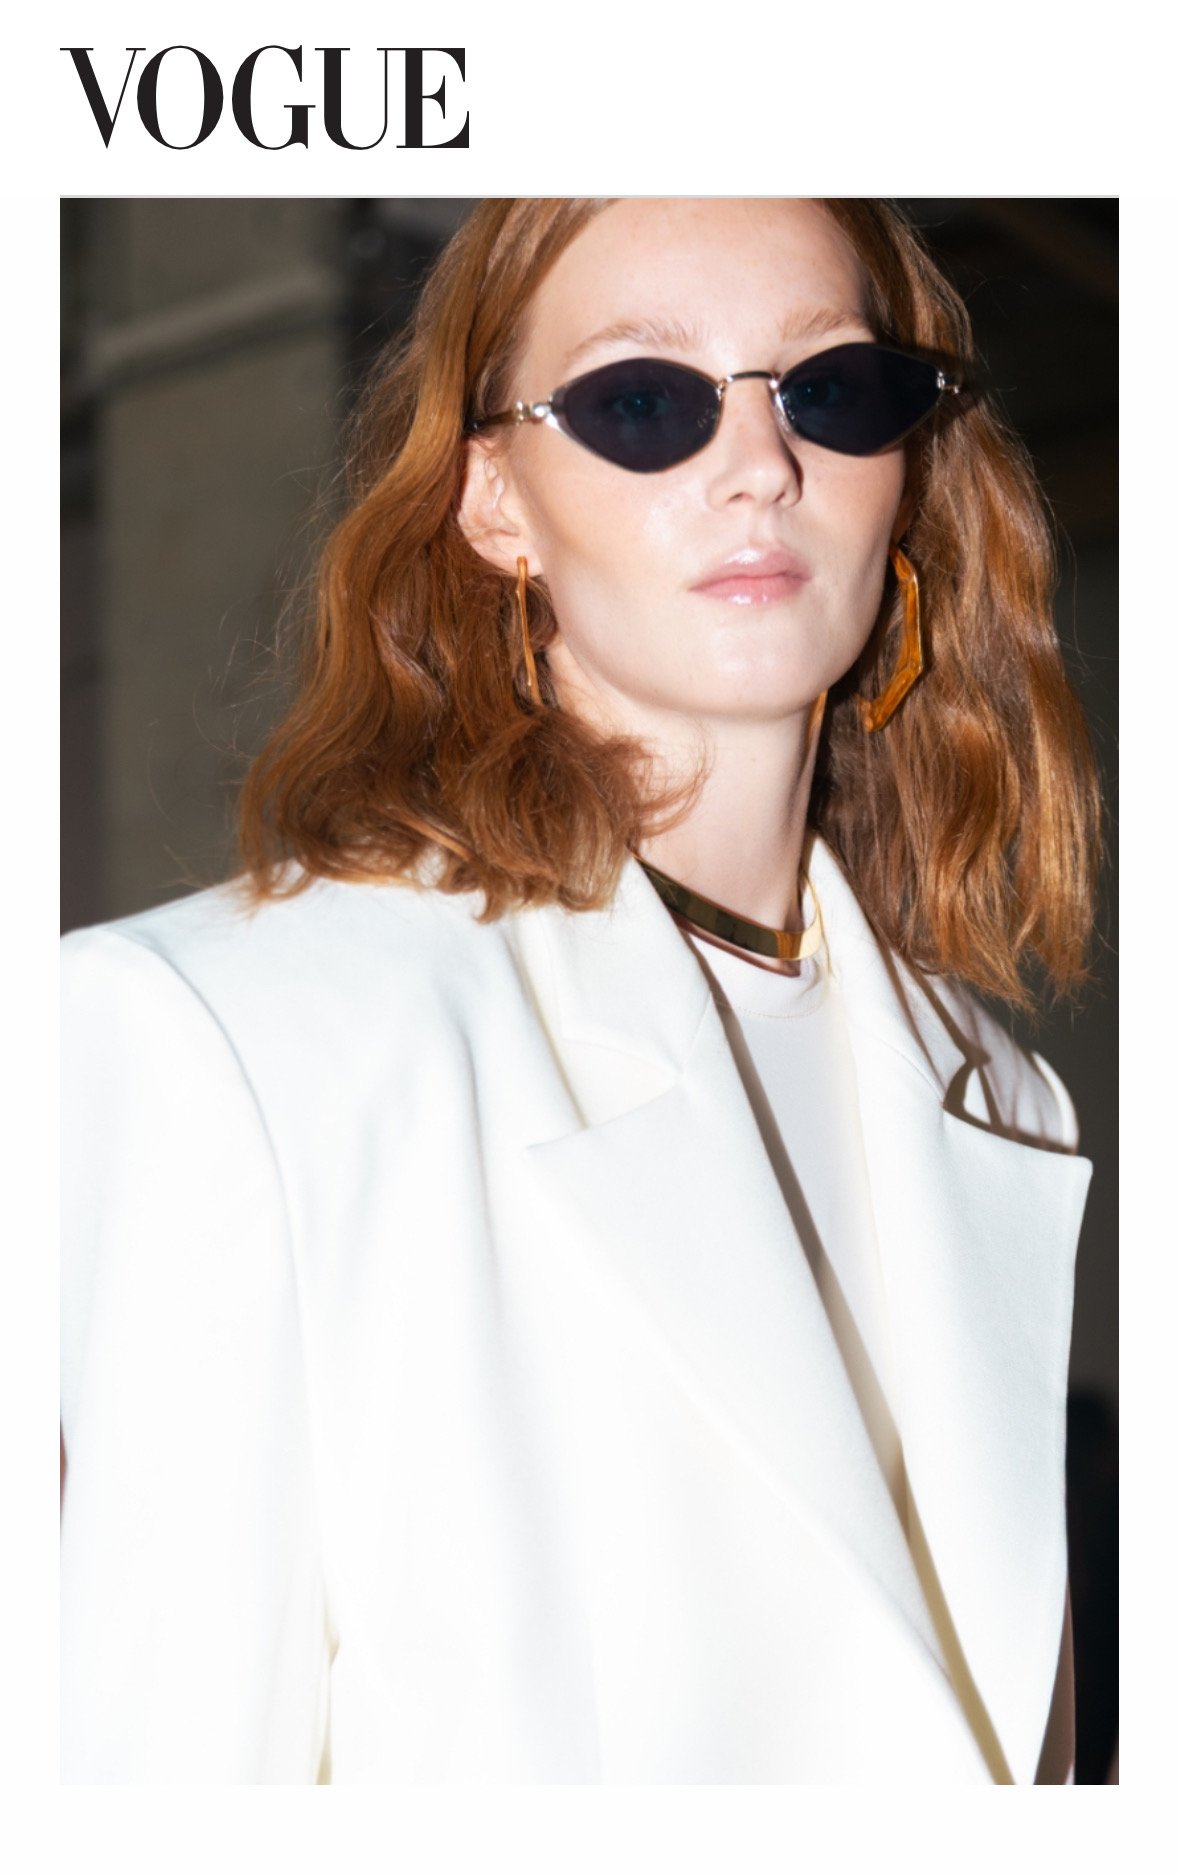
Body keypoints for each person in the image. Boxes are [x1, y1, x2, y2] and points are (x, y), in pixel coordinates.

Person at [60, 197, 1101, 1784]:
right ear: (495, 500)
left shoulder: (1000, 1094)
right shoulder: (231, 1041)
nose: (759, 465)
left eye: (830, 388)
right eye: (643, 402)